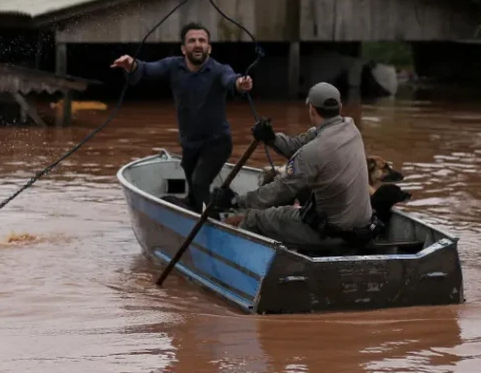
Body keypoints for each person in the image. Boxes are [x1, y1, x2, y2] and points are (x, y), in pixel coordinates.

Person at [211, 82, 374, 251]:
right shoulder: (351, 128)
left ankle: (233, 259)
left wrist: (236, 201)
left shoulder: (312, 152)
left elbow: (279, 190)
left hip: (332, 234)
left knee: (253, 218)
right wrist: (272, 138)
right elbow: (299, 145)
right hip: (362, 227)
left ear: (311, 109)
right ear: (340, 108)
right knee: (288, 210)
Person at [111, 22, 254, 211]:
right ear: (183, 48)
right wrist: (132, 65)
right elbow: (146, 69)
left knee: (199, 182)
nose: (197, 44)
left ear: (209, 48)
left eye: (202, 41)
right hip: (190, 144)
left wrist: (240, 84)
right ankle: (195, 210)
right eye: (192, 41)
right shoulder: (173, 66)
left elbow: (231, 80)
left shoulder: (219, 70)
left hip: (217, 143)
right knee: (193, 190)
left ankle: (210, 224)